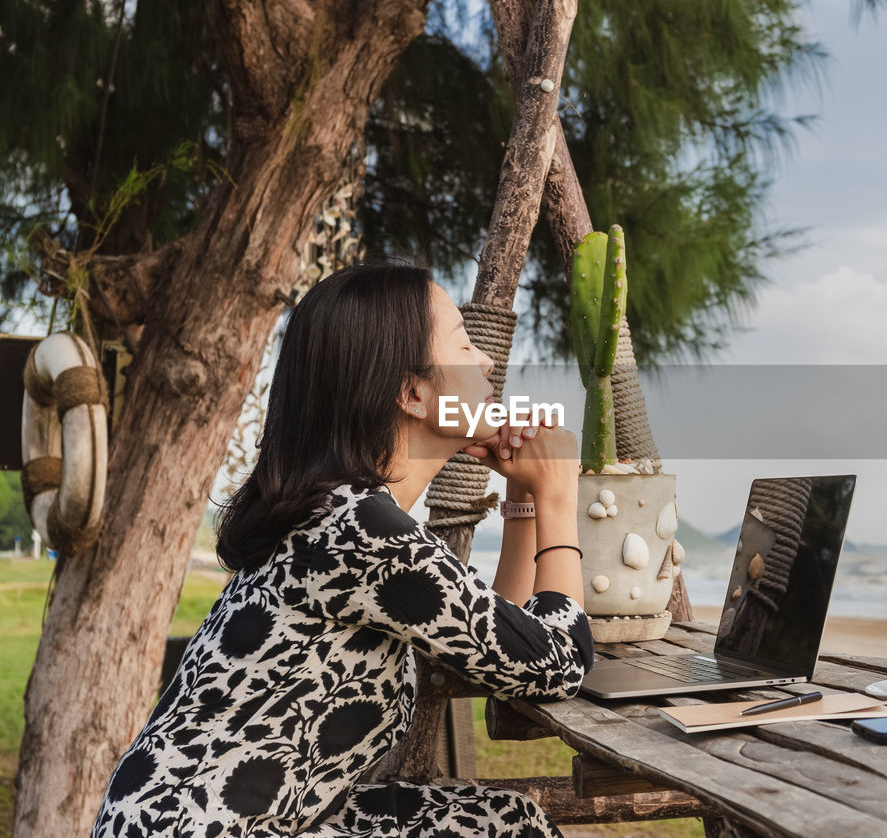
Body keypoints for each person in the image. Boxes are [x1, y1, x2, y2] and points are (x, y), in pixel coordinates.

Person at [91, 259, 593, 838]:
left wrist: (527, 499)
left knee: (502, 821)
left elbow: (499, 649)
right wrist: (560, 495)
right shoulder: (362, 529)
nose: (485, 360)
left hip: (177, 821)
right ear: (412, 392)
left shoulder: (339, 514)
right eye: (462, 344)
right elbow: (558, 662)